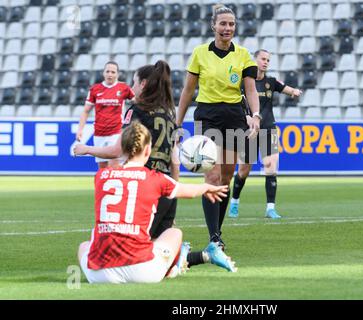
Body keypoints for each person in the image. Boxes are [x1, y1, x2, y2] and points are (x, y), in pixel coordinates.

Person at [74, 61, 237, 274]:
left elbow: (118, 150)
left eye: (134, 83)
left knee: (134, 250)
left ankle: (199, 255)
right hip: (166, 185)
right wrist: (173, 194)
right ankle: (205, 255)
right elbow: (174, 159)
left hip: (144, 187)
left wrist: (86, 149)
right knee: (160, 259)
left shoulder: (137, 111)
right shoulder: (168, 116)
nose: (132, 88)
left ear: (143, 84)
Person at [77, 121, 233, 284]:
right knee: (174, 233)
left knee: (83, 246)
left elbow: (116, 169)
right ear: (147, 150)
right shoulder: (155, 178)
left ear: (122, 149)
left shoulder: (101, 176)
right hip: (142, 272)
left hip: (100, 275)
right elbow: (187, 191)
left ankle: (188, 259)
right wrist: (206, 187)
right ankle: (175, 265)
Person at [176, 4, 261, 251]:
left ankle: (218, 230)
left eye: (231, 24)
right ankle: (214, 237)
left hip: (234, 116)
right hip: (208, 115)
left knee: (225, 177)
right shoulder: (200, 53)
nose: (227, 28)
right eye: (223, 24)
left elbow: (251, 90)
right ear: (213, 26)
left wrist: (255, 115)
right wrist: (178, 121)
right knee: (211, 175)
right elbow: (188, 90)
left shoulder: (244, 54)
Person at [229, 49, 303, 219]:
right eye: (262, 59)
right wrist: (245, 117)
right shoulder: (244, 82)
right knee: (244, 170)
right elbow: (236, 103)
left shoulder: (271, 81)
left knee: (271, 166)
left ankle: (270, 208)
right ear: (254, 60)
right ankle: (234, 202)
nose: (265, 62)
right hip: (248, 130)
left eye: (268, 60)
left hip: (269, 128)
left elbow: (285, 88)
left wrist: (294, 92)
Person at [76, 61, 135, 169]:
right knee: (103, 168)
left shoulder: (124, 88)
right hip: (99, 133)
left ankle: (117, 186)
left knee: (115, 166)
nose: (110, 74)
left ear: (117, 74)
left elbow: (137, 102)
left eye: (113, 72)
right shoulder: (95, 89)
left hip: (116, 132)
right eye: (107, 71)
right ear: (103, 73)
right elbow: (86, 111)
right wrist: (80, 129)